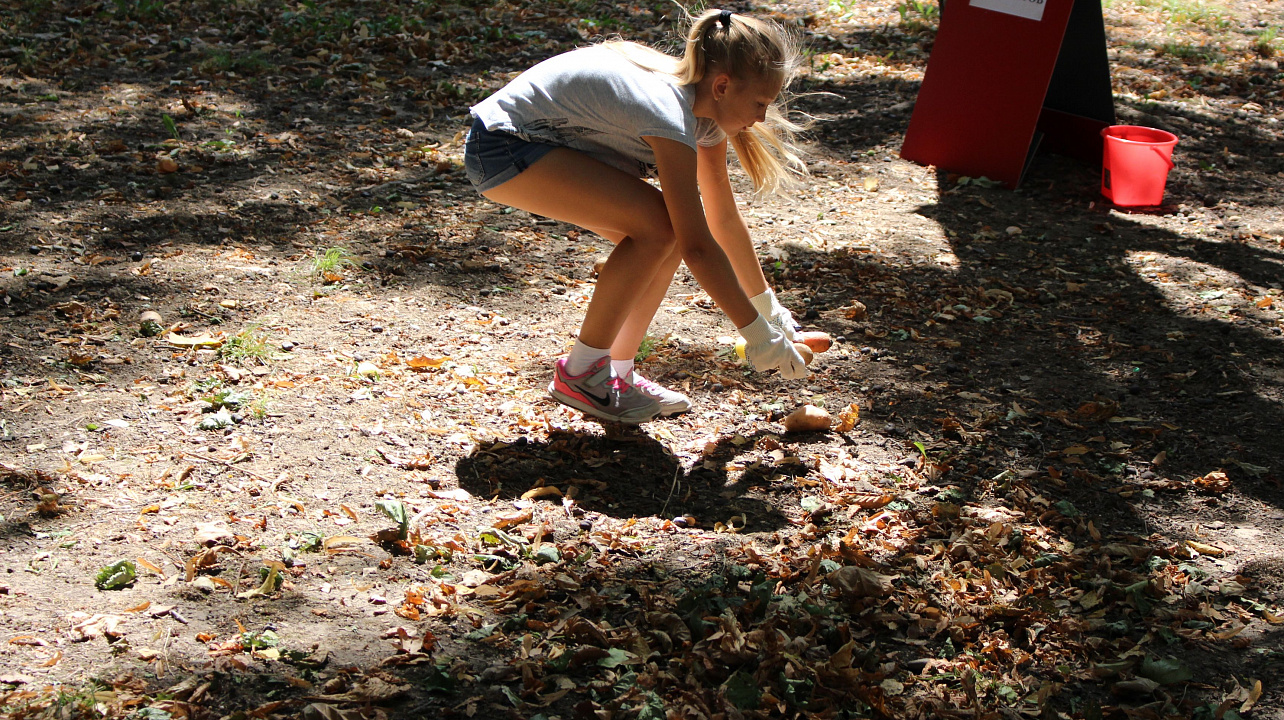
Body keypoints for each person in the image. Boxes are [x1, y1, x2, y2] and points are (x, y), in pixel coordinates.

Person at [464, 8, 809, 424]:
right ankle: (582, 373)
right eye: (760, 103)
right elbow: (701, 247)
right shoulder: (667, 111)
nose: (761, 118)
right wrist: (756, 335)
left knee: (665, 235)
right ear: (722, 85)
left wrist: (768, 310)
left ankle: (616, 373)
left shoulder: (706, 116)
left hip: (541, 147)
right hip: (503, 146)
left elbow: (722, 219)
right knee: (663, 229)